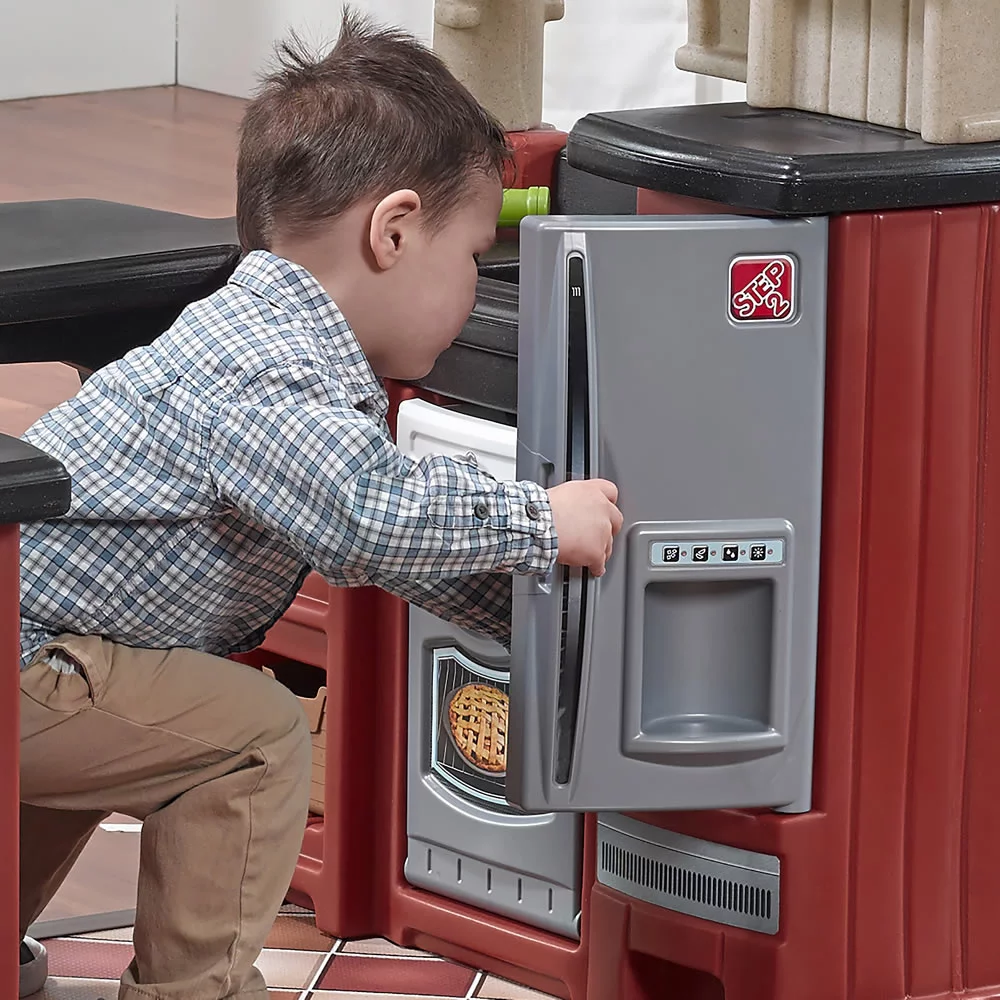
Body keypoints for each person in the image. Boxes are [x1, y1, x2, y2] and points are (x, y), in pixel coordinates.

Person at [16, 9, 623, 1000]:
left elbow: (391, 548)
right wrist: (539, 521)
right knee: (247, 737)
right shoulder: (270, 369)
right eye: (473, 257)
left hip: (40, 648)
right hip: (28, 658)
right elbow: (373, 520)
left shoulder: (260, 335)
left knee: (135, 727)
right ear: (394, 231)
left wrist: (541, 617)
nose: (475, 287)